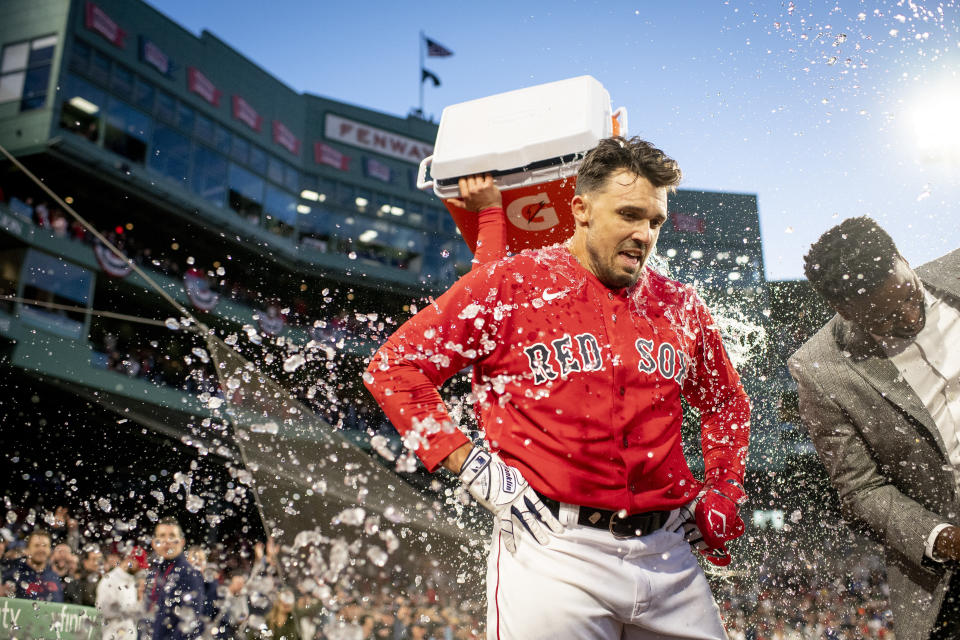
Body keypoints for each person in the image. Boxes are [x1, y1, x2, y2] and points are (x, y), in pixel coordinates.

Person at [365, 136, 751, 639]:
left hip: (670, 555)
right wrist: (469, 465)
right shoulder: (511, 283)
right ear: (581, 209)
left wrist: (723, 485)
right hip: (552, 549)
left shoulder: (681, 304)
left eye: (654, 221)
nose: (644, 234)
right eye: (629, 214)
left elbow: (726, 404)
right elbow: (394, 367)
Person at [788, 216, 960, 640]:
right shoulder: (820, 369)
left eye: (909, 295)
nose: (908, 317)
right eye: (883, 318)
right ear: (844, 311)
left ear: (902, 257)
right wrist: (943, 539)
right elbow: (861, 489)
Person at [145, 517, 206, 640]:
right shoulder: (153, 573)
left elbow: (191, 621)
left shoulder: (189, 573)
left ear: (182, 541)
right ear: (154, 542)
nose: (167, 540)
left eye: (172, 535)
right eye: (162, 536)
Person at [97, 545, 149, 640]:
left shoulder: (132, 582)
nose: (140, 569)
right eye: (139, 565)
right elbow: (104, 610)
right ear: (130, 561)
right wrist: (132, 609)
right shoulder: (109, 580)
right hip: (112, 635)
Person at [1, 529, 64, 601]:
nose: (41, 549)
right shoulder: (14, 575)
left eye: (45, 546)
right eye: (36, 545)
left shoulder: (54, 577)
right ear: (27, 550)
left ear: (50, 550)